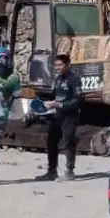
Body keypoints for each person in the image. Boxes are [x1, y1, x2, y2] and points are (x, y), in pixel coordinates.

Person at [36, 54, 81, 182]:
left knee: (67, 142)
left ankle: (69, 171)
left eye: (60, 65)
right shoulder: (58, 80)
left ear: (68, 65)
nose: (57, 68)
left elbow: (77, 100)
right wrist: (45, 103)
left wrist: (59, 104)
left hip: (70, 116)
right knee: (51, 142)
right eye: (56, 65)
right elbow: (54, 96)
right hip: (57, 115)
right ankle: (51, 171)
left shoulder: (74, 80)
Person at [0, 46, 21, 184]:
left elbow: (15, 94)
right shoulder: (13, 76)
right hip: (0, 116)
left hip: (0, 117)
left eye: (5, 58)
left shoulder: (12, 77)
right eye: (1, 58)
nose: (3, 61)